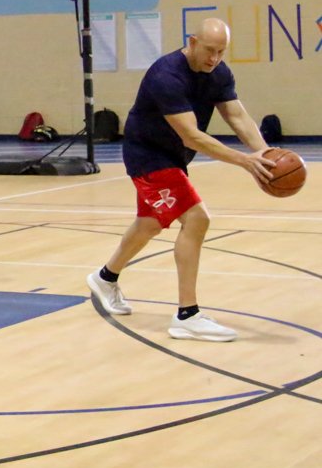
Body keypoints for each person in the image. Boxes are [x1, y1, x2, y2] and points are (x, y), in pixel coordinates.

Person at [86, 17, 273, 342]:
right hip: (148, 156)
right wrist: (245, 161)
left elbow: (237, 115)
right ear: (192, 41)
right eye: (210, 50)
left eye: (221, 52)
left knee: (150, 224)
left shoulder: (219, 73)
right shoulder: (166, 75)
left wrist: (266, 155)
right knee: (197, 219)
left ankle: (105, 278)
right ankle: (187, 315)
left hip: (172, 157)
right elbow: (192, 136)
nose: (215, 58)